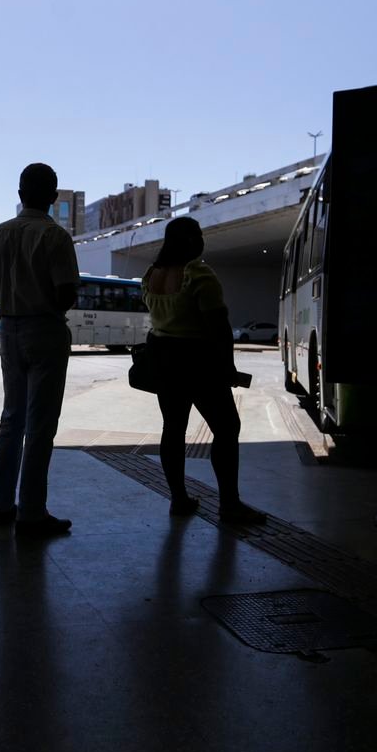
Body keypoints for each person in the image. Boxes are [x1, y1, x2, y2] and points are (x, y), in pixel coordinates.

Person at [0, 163, 79, 536]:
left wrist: (12, 294)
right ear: (53, 196)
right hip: (45, 329)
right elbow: (66, 293)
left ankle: (1, 504)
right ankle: (32, 513)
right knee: (40, 425)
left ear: (20, 195)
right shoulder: (55, 236)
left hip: (8, 329)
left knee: (11, 419)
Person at [141, 217, 266, 524]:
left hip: (164, 363)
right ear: (189, 240)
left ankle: (179, 499)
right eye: (198, 235)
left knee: (173, 429)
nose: (202, 240)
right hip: (198, 364)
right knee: (227, 428)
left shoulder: (152, 274)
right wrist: (228, 367)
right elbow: (219, 328)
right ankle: (229, 505)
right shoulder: (198, 274)